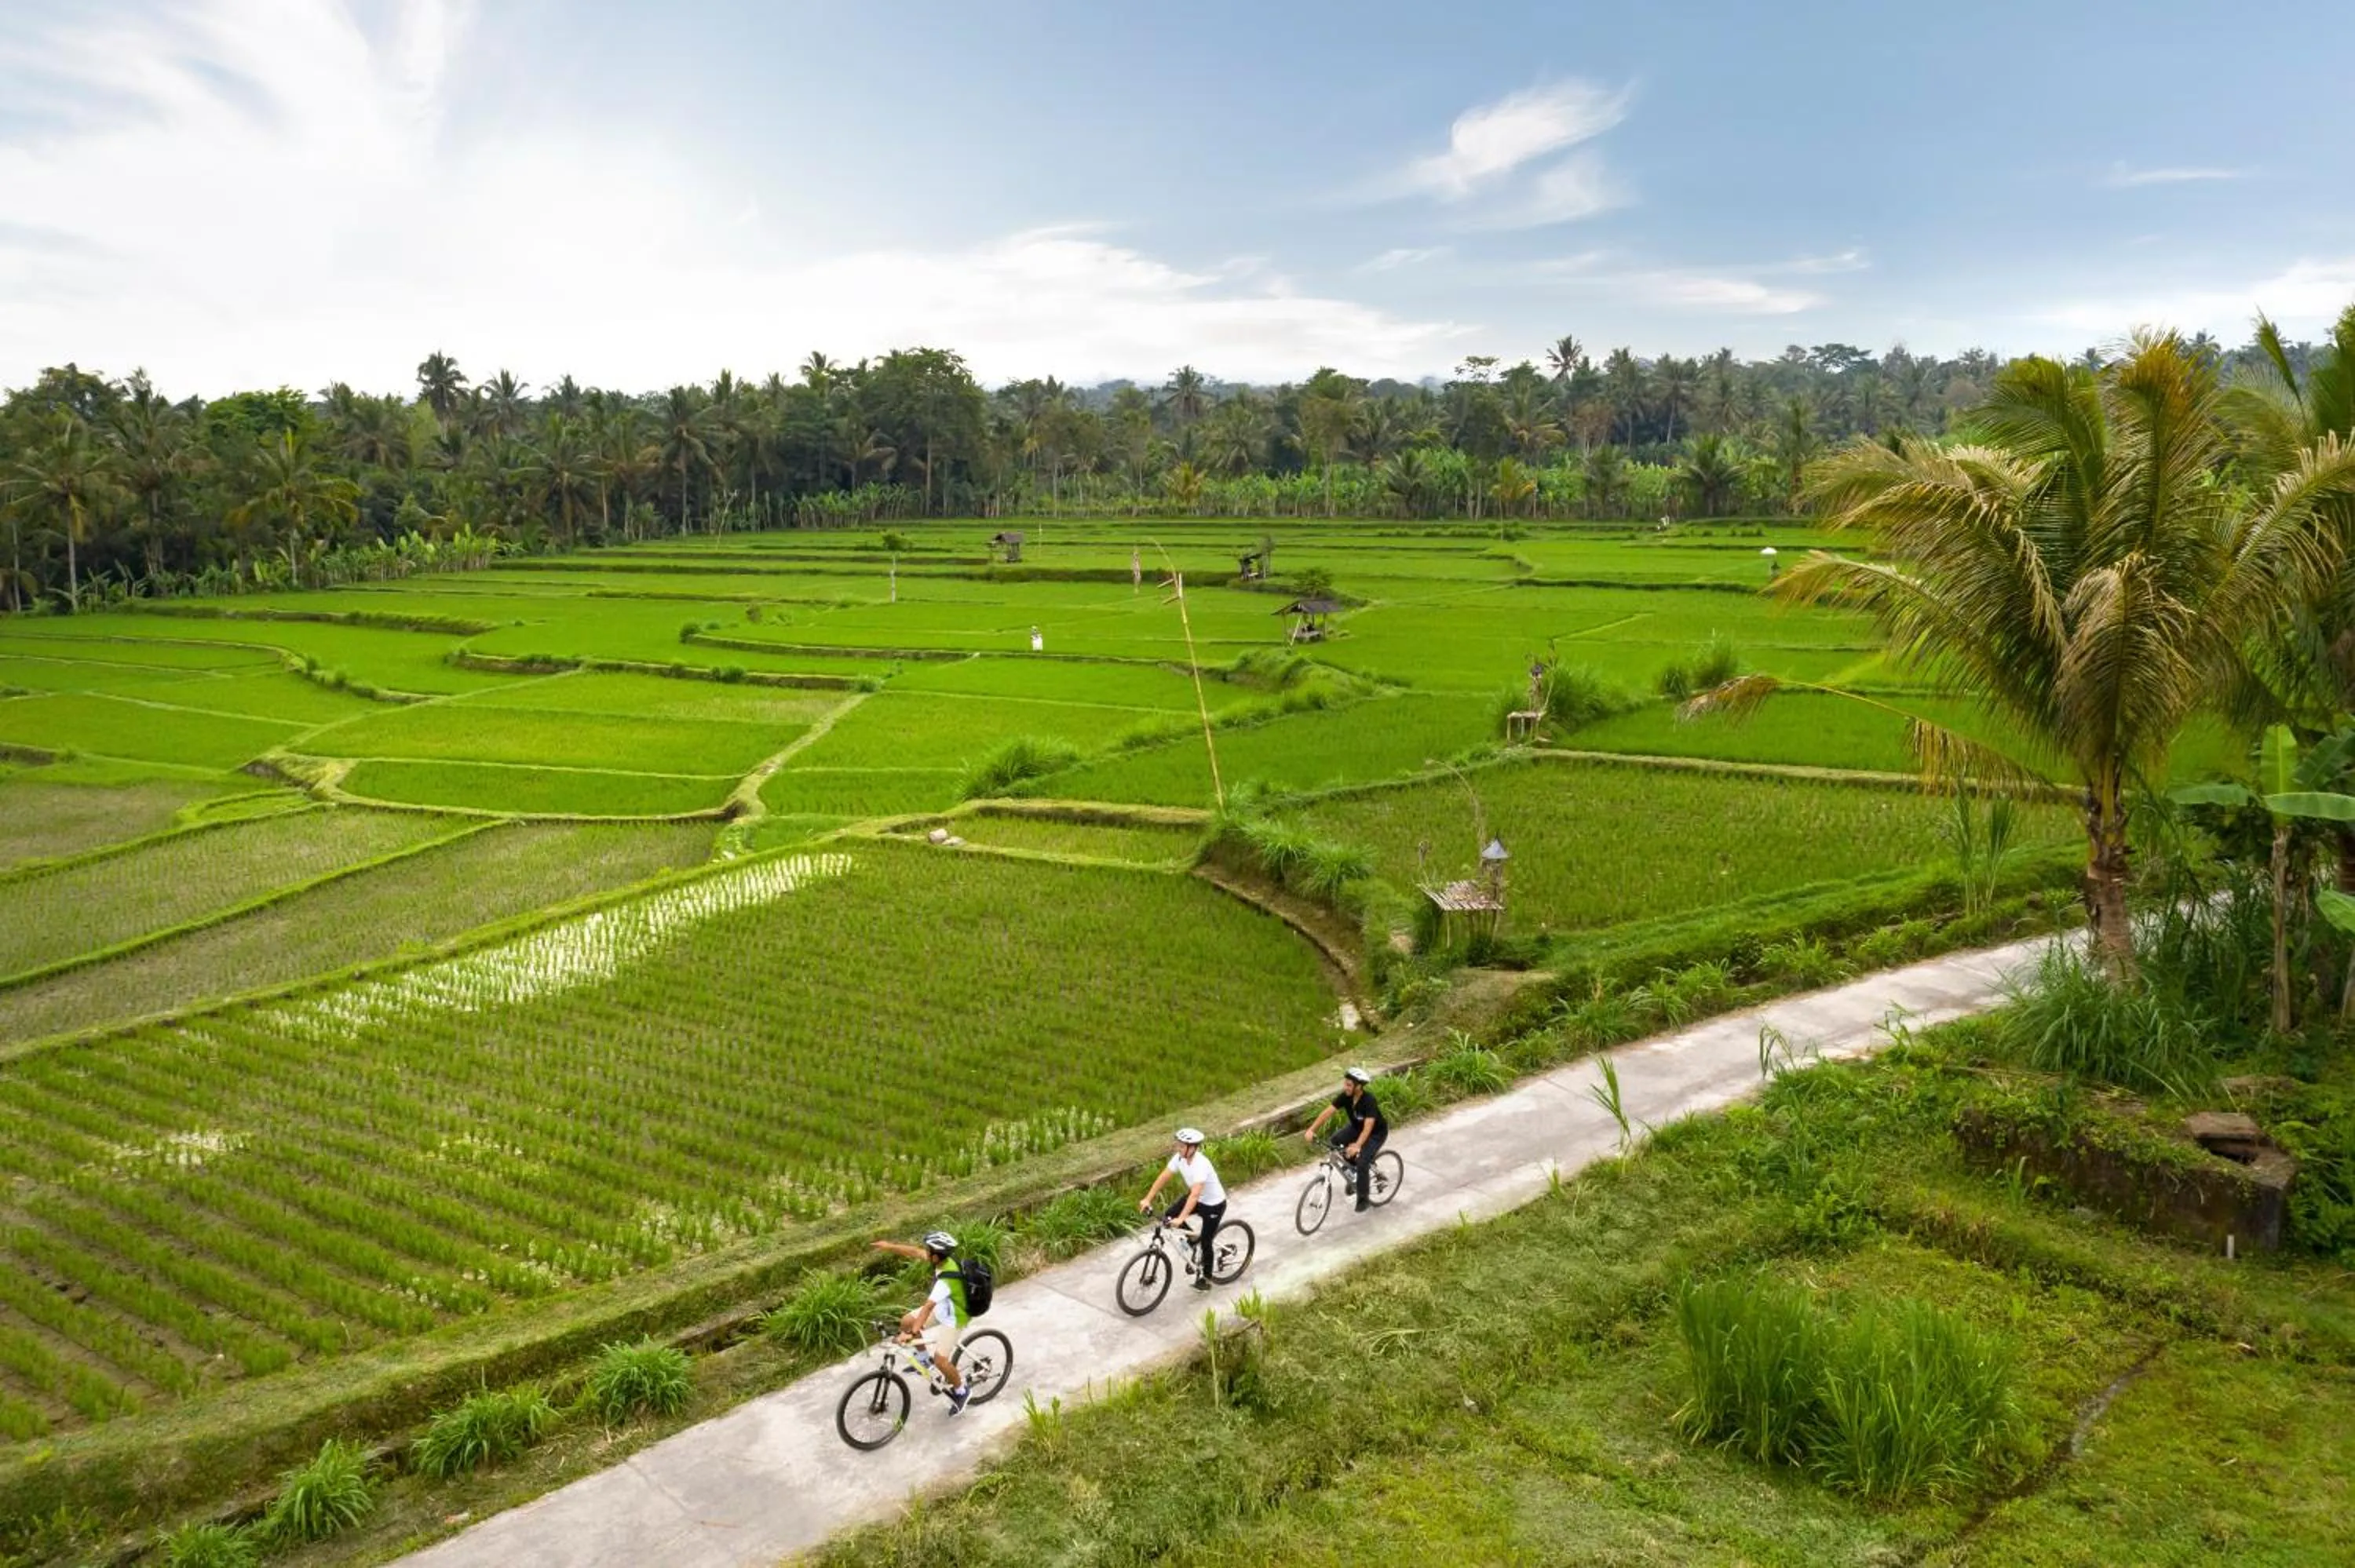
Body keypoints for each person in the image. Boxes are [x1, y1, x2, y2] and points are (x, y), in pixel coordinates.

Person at [870, 1230, 972, 1413]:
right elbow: (914, 1252)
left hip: (956, 1317)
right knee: (907, 1321)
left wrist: (911, 1334)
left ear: (936, 1256)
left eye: (929, 1249)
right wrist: (889, 1246)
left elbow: (927, 1307)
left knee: (941, 1361)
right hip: (943, 1307)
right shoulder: (940, 1260)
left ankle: (961, 1391)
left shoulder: (947, 1280)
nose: (926, 1251)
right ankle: (924, 1360)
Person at [1138, 1128, 1226, 1290]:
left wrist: (1182, 1219)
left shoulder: (1201, 1165)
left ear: (1192, 1148)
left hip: (1213, 1204)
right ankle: (1193, 1239)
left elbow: (1195, 1195)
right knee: (1169, 1215)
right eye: (1177, 1145)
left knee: (1206, 1242)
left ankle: (1206, 1279)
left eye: (1182, 1146)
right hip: (1197, 1199)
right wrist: (1148, 1199)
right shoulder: (1179, 1158)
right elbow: (1164, 1177)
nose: (1178, 1148)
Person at [1302, 1066, 1389, 1212]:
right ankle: (1354, 1173)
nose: (1345, 1087)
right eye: (1345, 1084)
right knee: (1334, 1142)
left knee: (1362, 1162)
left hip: (1376, 1133)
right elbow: (1327, 1112)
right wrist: (1312, 1129)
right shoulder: (1346, 1097)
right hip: (1356, 1128)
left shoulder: (1369, 1100)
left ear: (1358, 1086)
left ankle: (1364, 1199)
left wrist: (1357, 1146)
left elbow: (1368, 1127)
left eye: (1349, 1085)